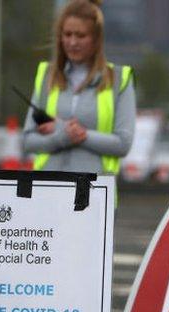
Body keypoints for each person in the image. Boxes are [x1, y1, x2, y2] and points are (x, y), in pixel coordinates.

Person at [22, 0, 135, 181]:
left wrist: (73, 132)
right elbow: (28, 141)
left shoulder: (119, 79)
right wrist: (63, 137)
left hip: (96, 194)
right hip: (47, 190)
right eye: (67, 34)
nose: (72, 42)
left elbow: (123, 144)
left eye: (80, 35)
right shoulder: (46, 76)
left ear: (96, 39)